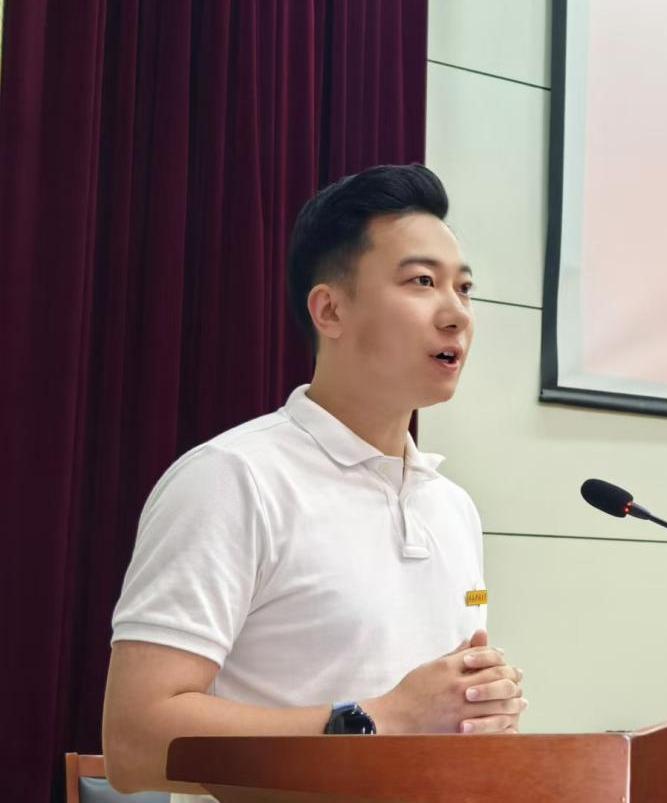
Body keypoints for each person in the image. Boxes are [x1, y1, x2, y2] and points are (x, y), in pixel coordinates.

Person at [102, 164, 525, 799]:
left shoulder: (452, 506)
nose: (456, 314)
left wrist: (476, 711)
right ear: (330, 309)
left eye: (464, 289)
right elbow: (135, 741)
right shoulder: (233, 479)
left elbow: (424, 726)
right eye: (422, 282)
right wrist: (379, 720)